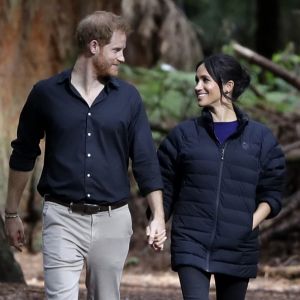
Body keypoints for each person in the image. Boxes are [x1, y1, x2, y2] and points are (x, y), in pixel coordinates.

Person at [4, 10, 166, 300]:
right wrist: (11, 213)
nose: (122, 57)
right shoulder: (45, 94)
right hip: (61, 217)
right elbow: (24, 153)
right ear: (94, 46)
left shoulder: (128, 98)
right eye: (116, 49)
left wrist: (158, 215)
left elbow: (145, 159)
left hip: (113, 220)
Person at [157, 53, 286, 300]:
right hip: (190, 241)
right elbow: (164, 182)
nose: (197, 86)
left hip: (238, 246)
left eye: (205, 80)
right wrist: (158, 220)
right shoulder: (184, 135)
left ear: (228, 86)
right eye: (197, 79)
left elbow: (272, 191)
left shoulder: (260, 139)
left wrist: (248, 223)